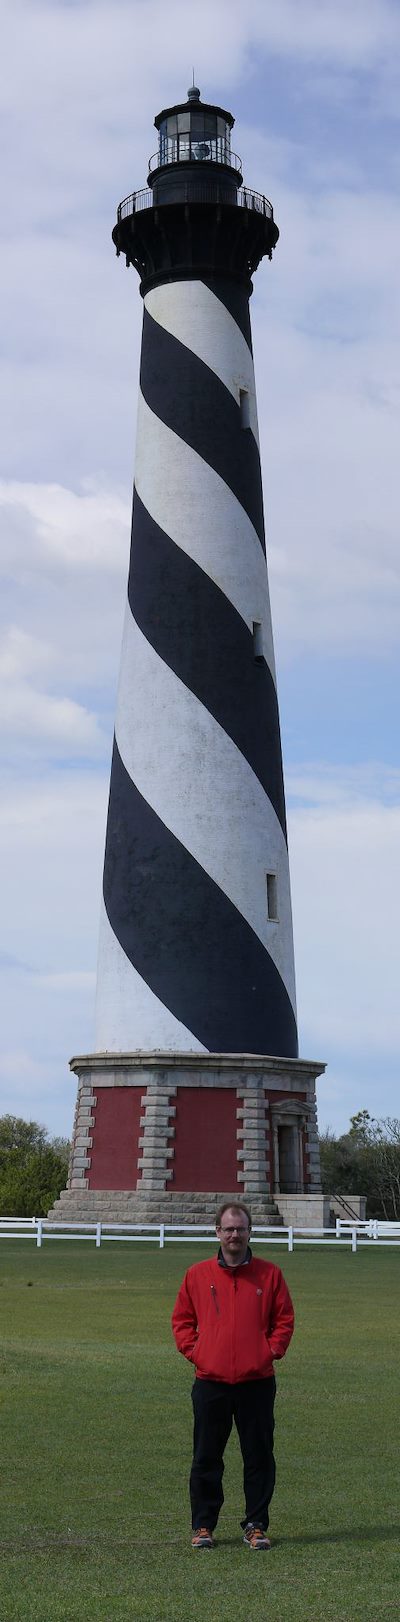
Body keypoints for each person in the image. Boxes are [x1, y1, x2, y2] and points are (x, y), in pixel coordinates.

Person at [171, 1200, 294, 1551]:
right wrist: (197, 1352)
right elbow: (182, 1321)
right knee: (206, 1456)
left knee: (258, 1456)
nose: (234, 1234)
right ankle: (203, 1525)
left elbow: (284, 1319)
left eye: (240, 1228)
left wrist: (269, 1351)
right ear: (217, 1233)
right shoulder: (197, 1275)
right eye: (228, 1229)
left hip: (256, 1382)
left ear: (249, 1231)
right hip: (211, 1381)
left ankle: (255, 1525)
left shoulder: (270, 1275)